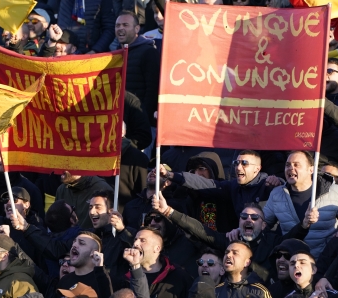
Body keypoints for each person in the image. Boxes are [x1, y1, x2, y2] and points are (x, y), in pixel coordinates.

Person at [152, 192, 317, 282]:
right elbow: (202, 231)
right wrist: (168, 211)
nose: (248, 220)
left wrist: (304, 224)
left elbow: (293, 239)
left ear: (264, 225)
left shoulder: (273, 242)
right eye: (244, 217)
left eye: (254, 218)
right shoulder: (231, 241)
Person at [263, 150, 338, 257]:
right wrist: (240, 230)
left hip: (324, 262)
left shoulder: (336, 192)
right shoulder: (277, 194)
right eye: (287, 165)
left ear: (311, 169)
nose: (291, 168)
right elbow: (262, 224)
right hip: (291, 262)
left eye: (297, 165)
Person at [161, 150, 282, 218]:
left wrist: (280, 183)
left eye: (244, 163)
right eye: (236, 163)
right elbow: (206, 184)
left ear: (257, 169)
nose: (238, 167)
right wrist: (171, 175)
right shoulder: (232, 186)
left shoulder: (268, 185)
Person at [115, 10, 160, 158]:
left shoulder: (148, 52)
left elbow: (152, 89)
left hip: (141, 126)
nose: (120, 28)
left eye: (125, 25)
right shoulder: (115, 54)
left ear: (136, 29)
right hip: (120, 123)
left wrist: (143, 120)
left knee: (137, 164)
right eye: (117, 25)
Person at [123, 228, 193, 298]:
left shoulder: (179, 277)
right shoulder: (126, 278)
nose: (135, 243)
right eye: (135, 239)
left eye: (143, 240)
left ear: (157, 248)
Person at [57, 231, 113, 298]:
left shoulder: (104, 280)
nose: (74, 245)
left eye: (81, 243)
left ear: (94, 252)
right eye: (74, 242)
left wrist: (100, 269)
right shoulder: (64, 280)